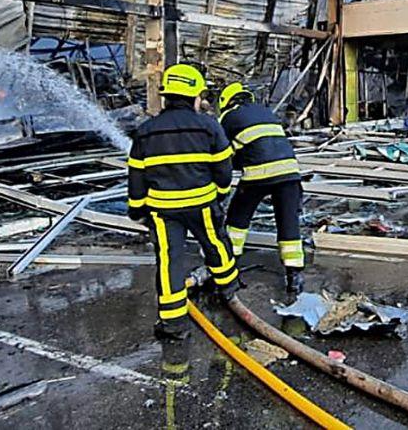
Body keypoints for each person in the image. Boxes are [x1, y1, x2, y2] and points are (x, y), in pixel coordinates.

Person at [127, 64, 239, 341]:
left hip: (164, 212)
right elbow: (224, 169)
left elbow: (137, 178)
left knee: (169, 261)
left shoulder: (146, 131)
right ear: (194, 97)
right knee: (215, 245)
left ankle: (173, 323)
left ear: (167, 96)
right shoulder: (208, 127)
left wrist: (137, 210)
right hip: (202, 205)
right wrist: (221, 193)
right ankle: (228, 291)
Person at [217, 82, 306, 294]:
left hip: (259, 173)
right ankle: (294, 277)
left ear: (226, 102)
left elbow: (222, 156)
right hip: (290, 173)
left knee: (238, 219)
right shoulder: (266, 112)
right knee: (288, 224)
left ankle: (229, 266)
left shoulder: (228, 118)